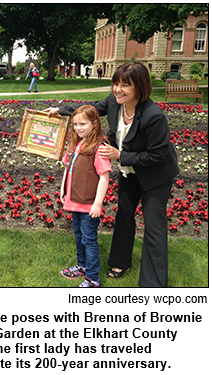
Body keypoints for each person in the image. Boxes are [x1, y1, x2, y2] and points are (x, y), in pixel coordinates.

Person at [45, 62, 179, 287]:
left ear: (140, 87)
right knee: (124, 216)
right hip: (130, 173)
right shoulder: (114, 104)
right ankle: (120, 262)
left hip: (156, 176)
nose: (118, 89)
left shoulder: (153, 116)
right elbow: (90, 109)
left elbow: (156, 156)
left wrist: (120, 155)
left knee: (154, 227)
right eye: (116, 84)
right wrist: (61, 110)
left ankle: (154, 285)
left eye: (125, 85)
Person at [60, 105, 111, 288]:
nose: (78, 128)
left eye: (83, 123)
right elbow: (68, 169)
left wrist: (97, 204)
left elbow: (104, 177)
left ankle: (92, 278)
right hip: (74, 200)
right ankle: (81, 265)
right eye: (75, 124)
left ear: (95, 124)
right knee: (78, 235)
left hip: (88, 204)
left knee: (89, 239)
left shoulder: (99, 148)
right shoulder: (76, 143)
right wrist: (63, 191)